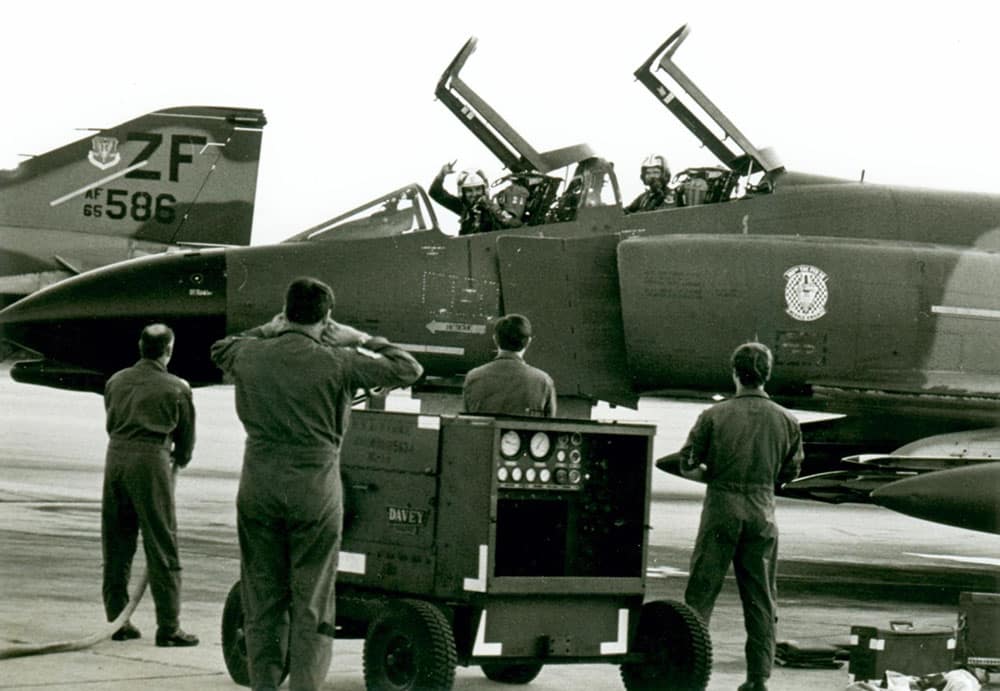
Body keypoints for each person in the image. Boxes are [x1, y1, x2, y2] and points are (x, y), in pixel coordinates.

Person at [210, 277, 423, 691]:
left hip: (258, 484)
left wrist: (267, 330)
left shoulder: (251, 353)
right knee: (313, 600)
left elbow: (220, 348)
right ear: (327, 317)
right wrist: (362, 338)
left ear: (284, 311)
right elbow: (409, 368)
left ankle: (265, 684)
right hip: (315, 488)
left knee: (262, 596)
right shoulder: (339, 360)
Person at [678, 342, 803, 691]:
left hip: (721, 508)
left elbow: (687, 463)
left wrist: (714, 476)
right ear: (767, 374)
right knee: (761, 598)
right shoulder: (787, 420)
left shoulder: (714, 416)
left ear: (735, 373)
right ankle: (757, 678)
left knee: (701, 594)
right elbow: (790, 473)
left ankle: (689, 672)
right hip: (762, 511)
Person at [101, 323, 198, 647]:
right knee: (162, 544)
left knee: (116, 543)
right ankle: (169, 628)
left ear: (140, 347)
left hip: (115, 459)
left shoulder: (116, 380)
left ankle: (117, 620)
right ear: (168, 350)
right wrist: (179, 458)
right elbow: (185, 441)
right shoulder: (177, 387)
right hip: (150, 460)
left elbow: (110, 419)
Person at [463, 313, 556, 417]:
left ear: (495, 340)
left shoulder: (473, 377)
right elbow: (549, 425)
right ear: (528, 342)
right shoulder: (543, 381)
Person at [429, 160, 522, 235]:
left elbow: (516, 226)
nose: (474, 194)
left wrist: (494, 210)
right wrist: (442, 174)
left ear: (484, 190)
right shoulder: (464, 209)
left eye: (478, 189)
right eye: (469, 191)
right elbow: (435, 193)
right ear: (463, 193)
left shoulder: (494, 209)